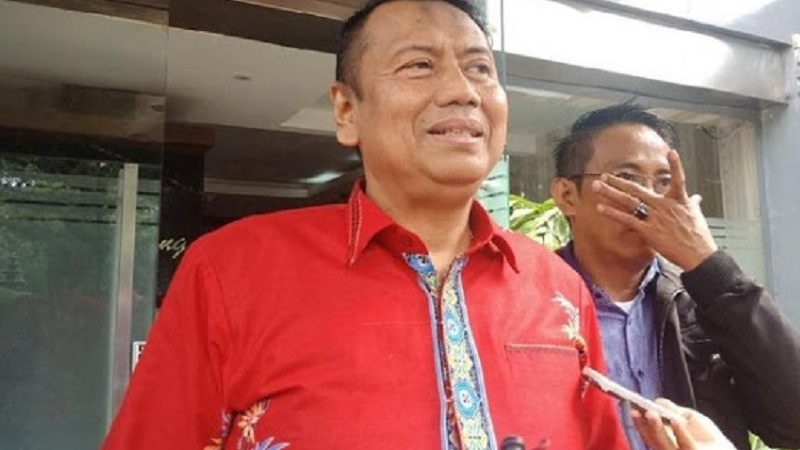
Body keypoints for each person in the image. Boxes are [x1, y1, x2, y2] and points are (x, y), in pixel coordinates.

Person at [102, 1, 630, 449]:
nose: (463, 90)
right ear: (346, 111)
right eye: (419, 65)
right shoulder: (230, 270)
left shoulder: (558, 287)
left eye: (480, 68)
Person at [550, 102, 800, 450]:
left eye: (663, 182)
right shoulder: (531, 303)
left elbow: (792, 423)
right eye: (627, 178)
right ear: (567, 195)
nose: (650, 199)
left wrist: (708, 263)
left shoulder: (702, 305)